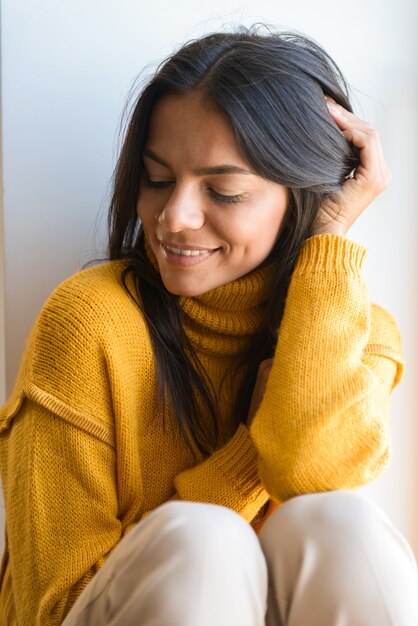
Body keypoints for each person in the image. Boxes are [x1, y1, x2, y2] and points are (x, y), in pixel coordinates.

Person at [0, 25, 417, 626]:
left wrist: (328, 239)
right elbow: (51, 607)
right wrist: (253, 444)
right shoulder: (88, 324)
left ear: (300, 196)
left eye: (222, 191)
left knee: (339, 524)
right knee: (205, 542)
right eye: (159, 180)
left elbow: (310, 470)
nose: (174, 217)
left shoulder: (356, 332)